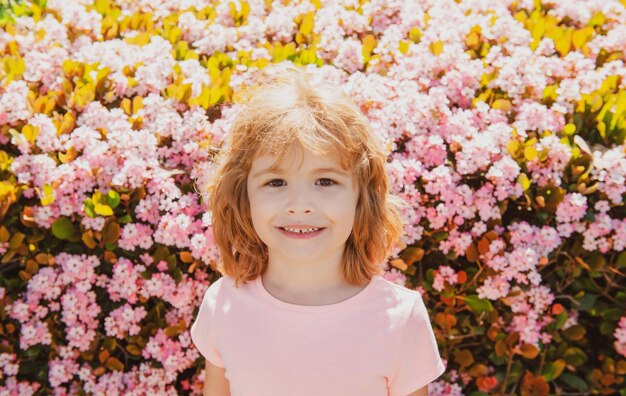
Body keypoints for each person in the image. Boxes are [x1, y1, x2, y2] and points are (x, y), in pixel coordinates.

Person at [190, 63, 445, 396]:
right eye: (275, 181)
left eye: (325, 181)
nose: (300, 205)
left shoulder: (400, 317)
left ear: (361, 195)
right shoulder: (224, 304)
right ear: (243, 196)